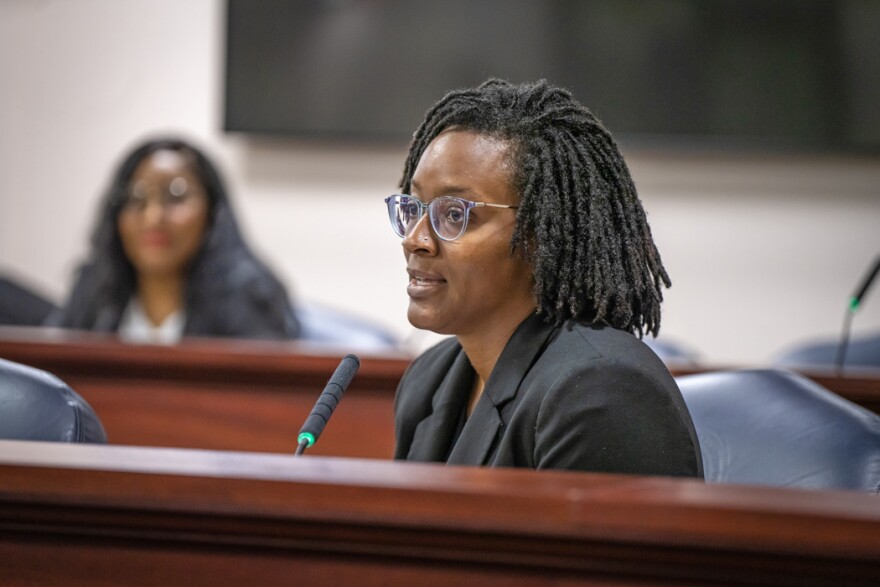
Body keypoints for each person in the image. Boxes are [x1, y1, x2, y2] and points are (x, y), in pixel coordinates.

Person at [386, 79, 702, 478]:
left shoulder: (601, 394)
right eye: (413, 208)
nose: (415, 239)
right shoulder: (430, 379)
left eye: (453, 215)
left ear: (543, 232)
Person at [48, 137, 298, 343]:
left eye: (175, 196)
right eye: (136, 199)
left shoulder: (250, 297)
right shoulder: (93, 291)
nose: (153, 217)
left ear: (212, 213)